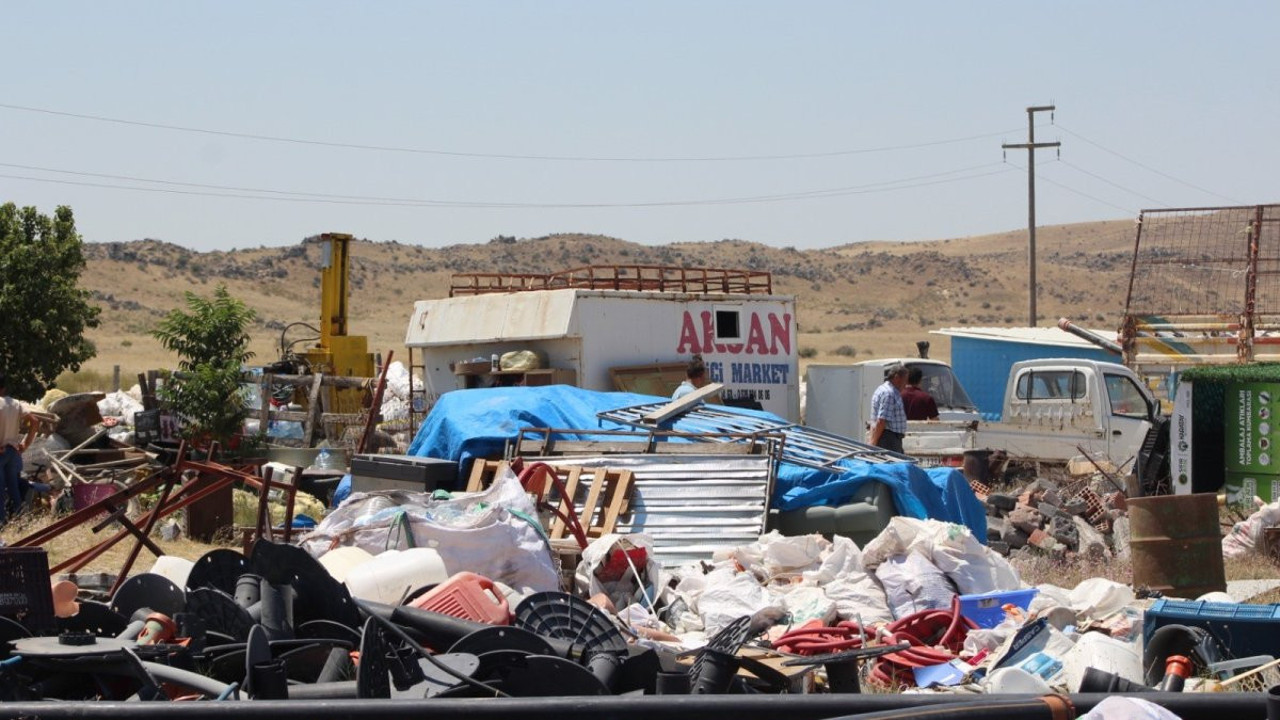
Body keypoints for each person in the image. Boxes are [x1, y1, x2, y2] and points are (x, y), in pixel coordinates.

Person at [0, 374, 36, 526]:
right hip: (13, 451)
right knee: (13, 486)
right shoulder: (16, 403)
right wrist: (25, 444)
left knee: (0, 490)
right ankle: (20, 521)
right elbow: (35, 421)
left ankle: (1, 523)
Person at [869, 364, 908, 453]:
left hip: (889, 438)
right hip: (888, 439)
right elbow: (882, 420)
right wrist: (873, 443)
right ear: (897, 378)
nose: (906, 384)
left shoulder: (886, 390)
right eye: (905, 380)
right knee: (894, 465)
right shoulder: (889, 394)